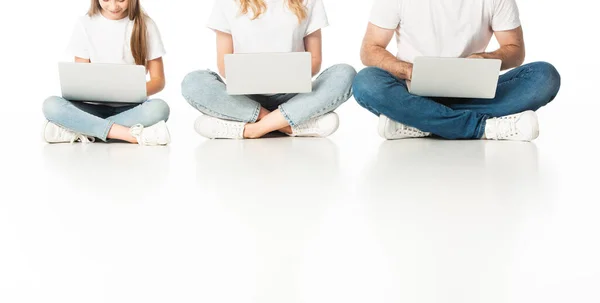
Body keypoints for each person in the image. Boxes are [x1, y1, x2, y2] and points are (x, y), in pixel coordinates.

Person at [353, 0, 561, 141]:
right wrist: (407, 70)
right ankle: (483, 128)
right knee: (366, 82)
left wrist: (485, 58)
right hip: (410, 92)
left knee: (544, 76)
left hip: (475, 93)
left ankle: (421, 123)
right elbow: (370, 50)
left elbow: (515, 50)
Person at [181, 0, 357, 140]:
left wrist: (286, 75)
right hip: (243, 97)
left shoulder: (308, 1)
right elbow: (224, 64)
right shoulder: (227, 2)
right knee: (194, 82)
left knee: (345, 74)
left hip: (293, 95)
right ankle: (286, 125)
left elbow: (315, 60)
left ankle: (252, 129)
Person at [42, 0, 171, 146]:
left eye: (121, 0)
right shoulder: (85, 24)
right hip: (91, 108)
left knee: (159, 109)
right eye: (106, 0)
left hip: (131, 109)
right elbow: (82, 78)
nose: (113, 6)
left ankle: (81, 129)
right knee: (51, 105)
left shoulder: (146, 25)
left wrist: (130, 93)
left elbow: (158, 80)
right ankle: (127, 134)